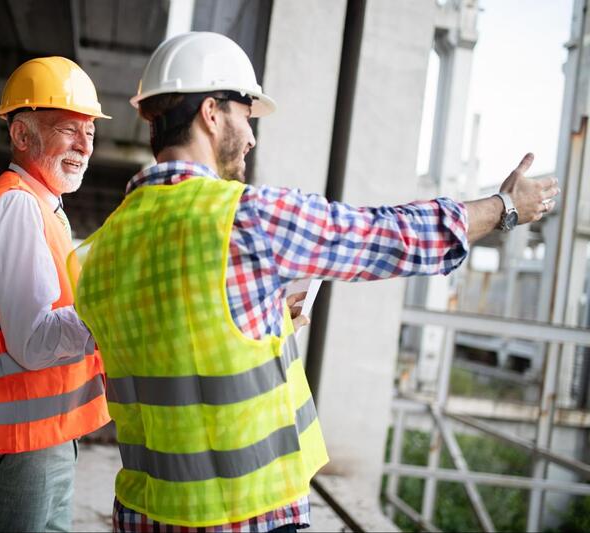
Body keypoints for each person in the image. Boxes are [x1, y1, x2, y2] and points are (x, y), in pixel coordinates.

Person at [70, 32, 560, 532]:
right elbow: (384, 236)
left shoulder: (97, 252)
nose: (253, 134)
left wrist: (268, 317)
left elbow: (177, 347)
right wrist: (503, 209)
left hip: (145, 515)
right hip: (247, 515)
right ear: (211, 113)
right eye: (246, 113)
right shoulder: (245, 217)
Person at [0, 56, 111, 532]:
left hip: (41, 437)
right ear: (21, 135)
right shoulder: (17, 205)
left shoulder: (45, 207)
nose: (84, 146)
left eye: (90, 134)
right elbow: (34, 341)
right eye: (68, 130)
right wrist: (113, 310)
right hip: (16, 446)